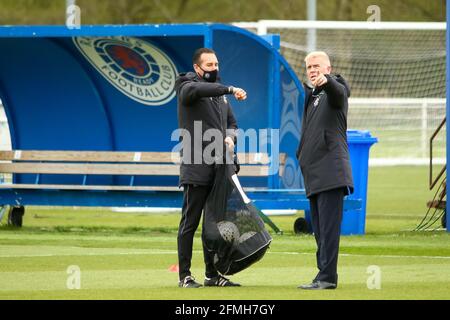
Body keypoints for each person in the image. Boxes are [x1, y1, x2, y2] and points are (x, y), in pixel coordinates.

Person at [175, 48, 247, 288]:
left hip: (219, 168)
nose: (214, 68)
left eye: (216, 63)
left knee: (214, 225)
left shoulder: (220, 95)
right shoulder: (187, 85)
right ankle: (184, 276)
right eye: (209, 65)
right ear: (197, 68)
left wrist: (230, 138)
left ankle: (211, 275)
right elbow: (199, 90)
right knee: (190, 223)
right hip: (196, 167)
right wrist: (228, 88)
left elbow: (233, 124)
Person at [296, 51, 353, 290]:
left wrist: (328, 81)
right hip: (314, 173)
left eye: (317, 66)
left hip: (331, 171)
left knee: (328, 231)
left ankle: (328, 277)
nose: (312, 70)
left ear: (328, 68)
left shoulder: (334, 88)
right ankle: (322, 275)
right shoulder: (313, 96)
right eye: (309, 66)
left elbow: (340, 92)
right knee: (319, 231)